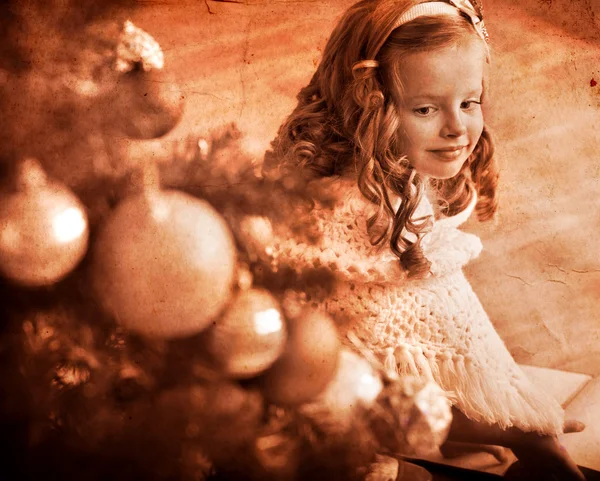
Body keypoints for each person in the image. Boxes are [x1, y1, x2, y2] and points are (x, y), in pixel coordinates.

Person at [261, 0, 587, 479]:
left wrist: (480, 425)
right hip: (304, 433)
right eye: (426, 108)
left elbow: (408, 356)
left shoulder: (376, 180)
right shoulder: (363, 210)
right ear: (369, 105)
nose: (457, 128)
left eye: (469, 103)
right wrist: (528, 428)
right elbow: (390, 365)